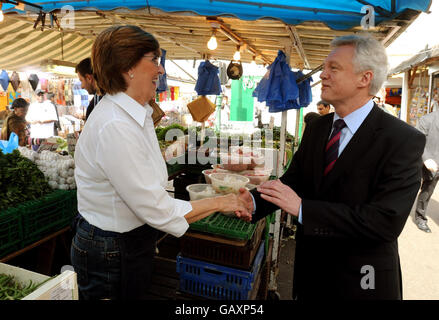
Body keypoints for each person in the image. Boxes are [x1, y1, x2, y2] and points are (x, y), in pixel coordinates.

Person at [238, 34, 426, 300]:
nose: (322, 75)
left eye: (333, 68)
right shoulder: (318, 127)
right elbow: (294, 182)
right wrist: (254, 203)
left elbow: (385, 221)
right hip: (310, 276)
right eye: (324, 68)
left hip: (362, 282)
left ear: (365, 78)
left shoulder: (402, 139)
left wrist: (304, 209)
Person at [71, 25, 250, 300]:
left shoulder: (134, 113)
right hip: (111, 247)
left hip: (126, 240)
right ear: (127, 67)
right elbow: (157, 209)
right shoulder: (116, 124)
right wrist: (220, 202)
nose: (161, 70)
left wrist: (219, 201)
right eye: (154, 60)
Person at [414, 109, 439, 233]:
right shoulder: (427, 119)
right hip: (431, 163)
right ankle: (420, 218)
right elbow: (417, 141)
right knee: (427, 191)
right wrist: (427, 158)